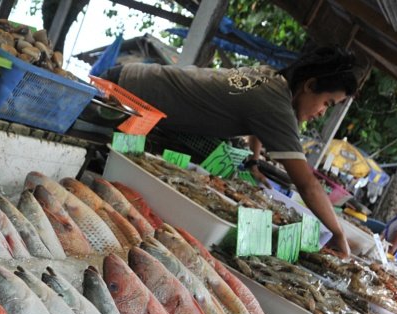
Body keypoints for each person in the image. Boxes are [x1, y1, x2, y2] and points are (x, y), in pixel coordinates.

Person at [102, 46, 359, 256]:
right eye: (327, 103)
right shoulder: (276, 104)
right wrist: (337, 233)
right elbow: (307, 184)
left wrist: (254, 162)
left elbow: (258, 124)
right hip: (128, 96)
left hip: (133, 79)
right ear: (310, 85)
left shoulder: (272, 81)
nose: (322, 112)